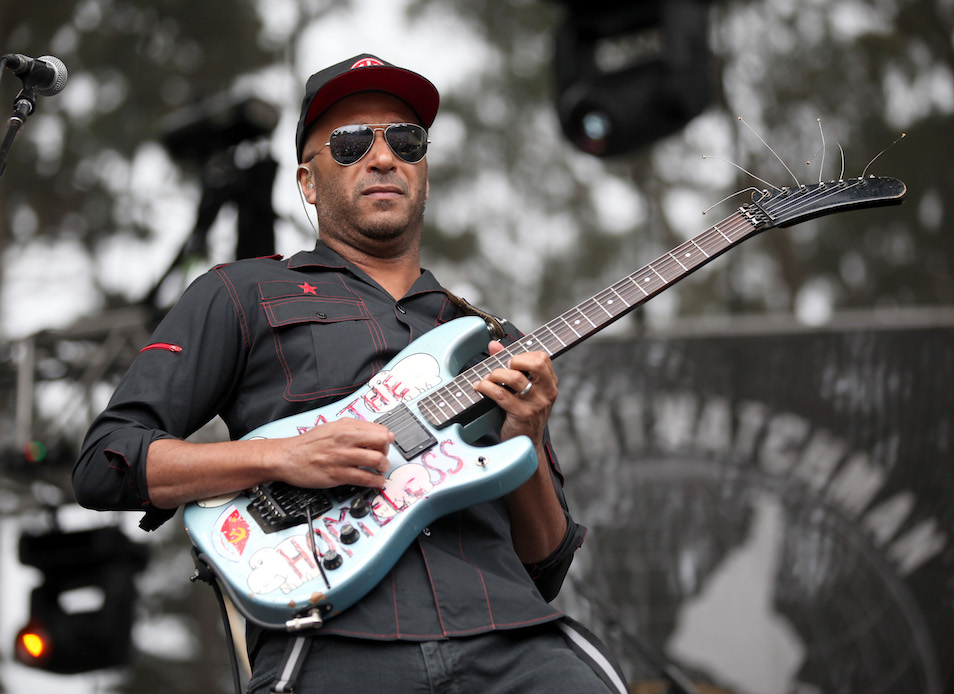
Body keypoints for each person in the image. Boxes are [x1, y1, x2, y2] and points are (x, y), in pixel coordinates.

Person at [73, 54, 627, 693]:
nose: (383, 157)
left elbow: (543, 565)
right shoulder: (241, 291)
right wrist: (284, 456)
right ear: (308, 183)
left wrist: (524, 436)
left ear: (423, 171)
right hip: (331, 643)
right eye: (351, 142)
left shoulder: (488, 338)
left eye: (406, 141)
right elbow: (106, 462)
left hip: (513, 641)